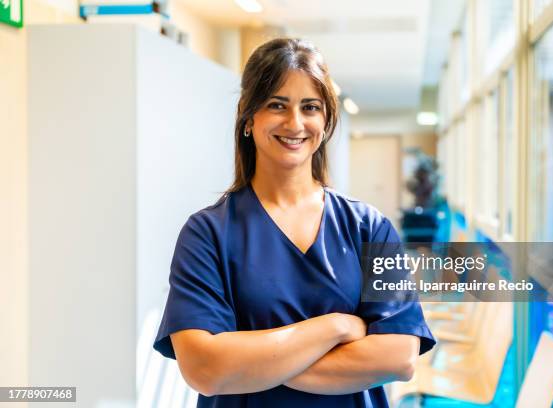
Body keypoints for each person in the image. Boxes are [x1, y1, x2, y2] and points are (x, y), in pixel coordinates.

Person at [153, 38, 435, 407]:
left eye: (311, 107)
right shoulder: (207, 235)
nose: (296, 122)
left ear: (326, 120)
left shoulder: (369, 228)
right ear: (248, 118)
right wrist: (335, 327)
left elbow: (398, 356)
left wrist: (249, 364)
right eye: (277, 105)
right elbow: (205, 369)